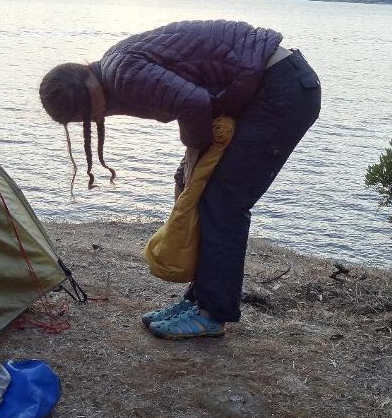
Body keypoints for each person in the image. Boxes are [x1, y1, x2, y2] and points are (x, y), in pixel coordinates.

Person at [38, 20, 321, 340]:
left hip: (283, 90)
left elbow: (194, 103)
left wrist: (192, 157)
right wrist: (188, 168)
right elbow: (197, 90)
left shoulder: (124, 75)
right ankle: (197, 301)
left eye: (84, 116)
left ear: (86, 93)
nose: (90, 122)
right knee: (199, 189)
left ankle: (212, 314)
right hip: (268, 86)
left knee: (223, 202)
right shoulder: (114, 67)